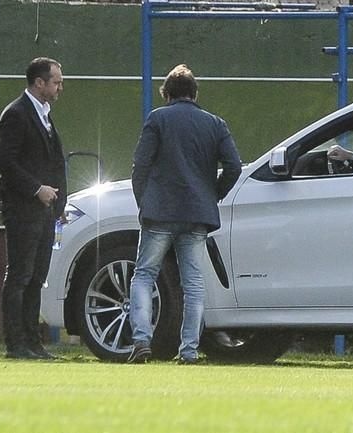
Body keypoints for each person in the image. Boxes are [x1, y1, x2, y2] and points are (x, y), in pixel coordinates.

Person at [128, 64, 242, 364]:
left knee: (144, 275)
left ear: (167, 94)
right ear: (194, 93)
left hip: (160, 212)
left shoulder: (158, 119)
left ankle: (141, 339)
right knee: (193, 283)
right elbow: (234, 167)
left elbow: (140, 166)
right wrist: (212, 194)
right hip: (196, 214)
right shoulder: (215, 123)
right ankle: (189, 349)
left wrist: (144, 202)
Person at [0, 57, 66, 359]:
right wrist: (37, 189)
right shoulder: (16, 114)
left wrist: (59, 202)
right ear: (39, 83)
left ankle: (34, 343)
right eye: (56, 81)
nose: (60, 86)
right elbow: (4, 162)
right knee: (20, 275)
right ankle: (16, 344)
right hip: (22, 207)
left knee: (37, 276)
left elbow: (54, 161)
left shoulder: (45, 115)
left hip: (46, 211)